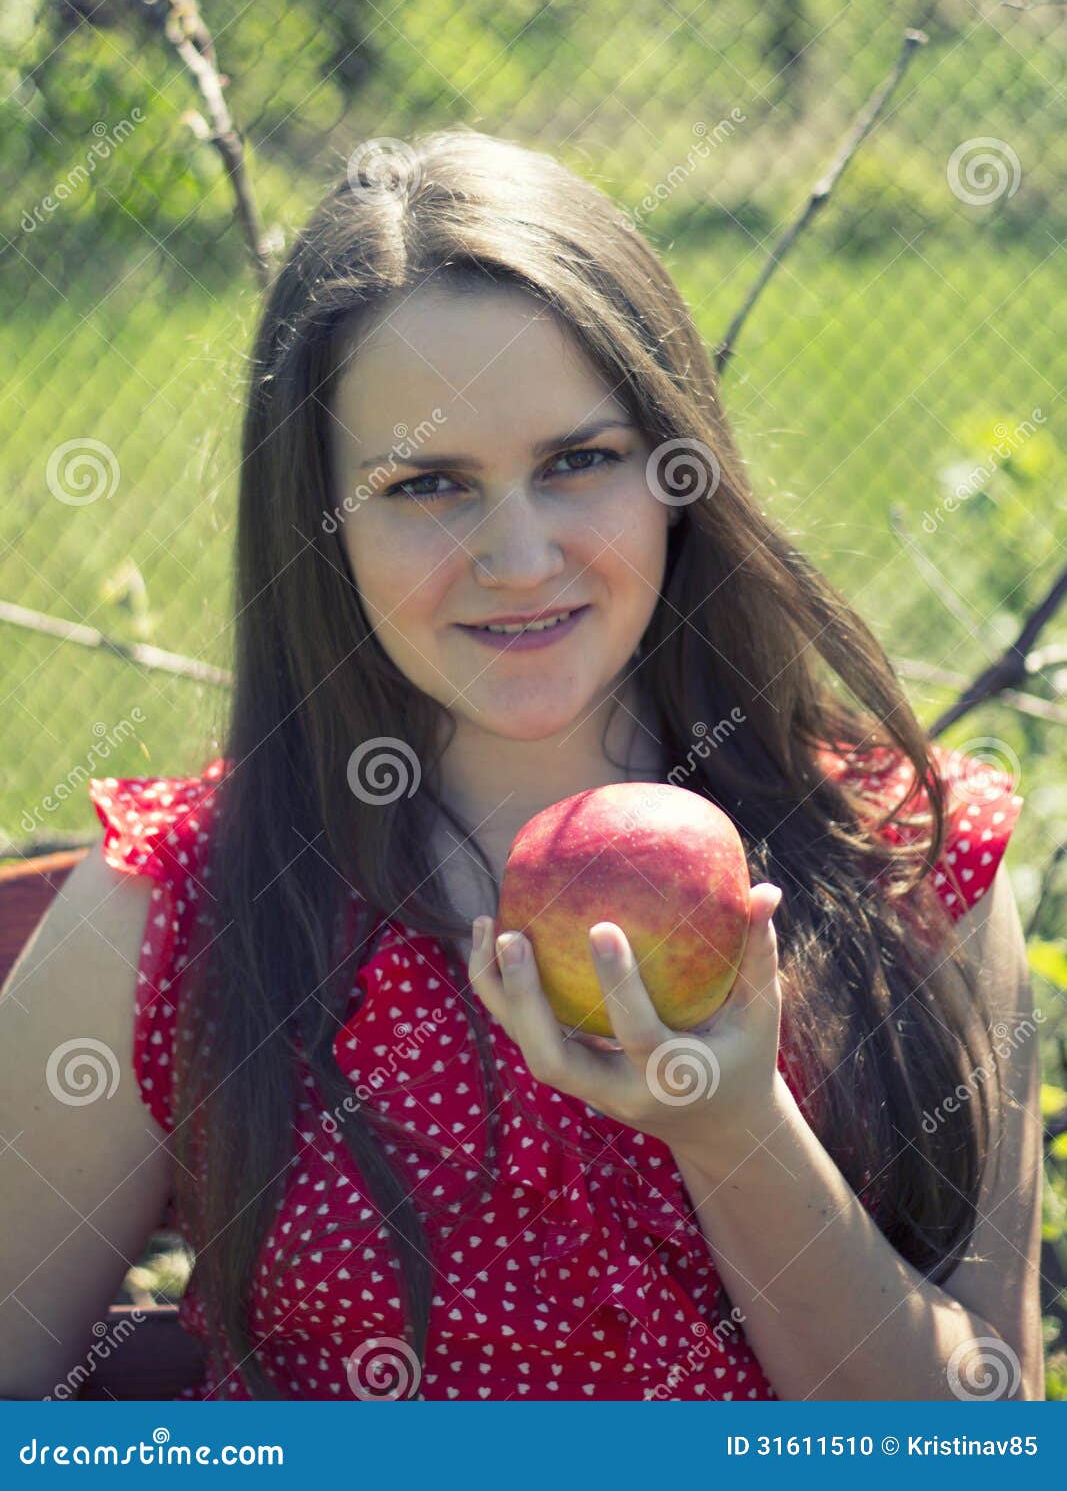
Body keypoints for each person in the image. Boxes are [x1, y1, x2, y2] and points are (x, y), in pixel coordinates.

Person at [3, 129, 1042, 1402]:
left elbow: (970, 1447)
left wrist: (734, 1137)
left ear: (674, 470)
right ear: (317, 522)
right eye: (428, 483)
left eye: (577, 462)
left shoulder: (901, 868)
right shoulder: (181, 913)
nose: (518, 555)